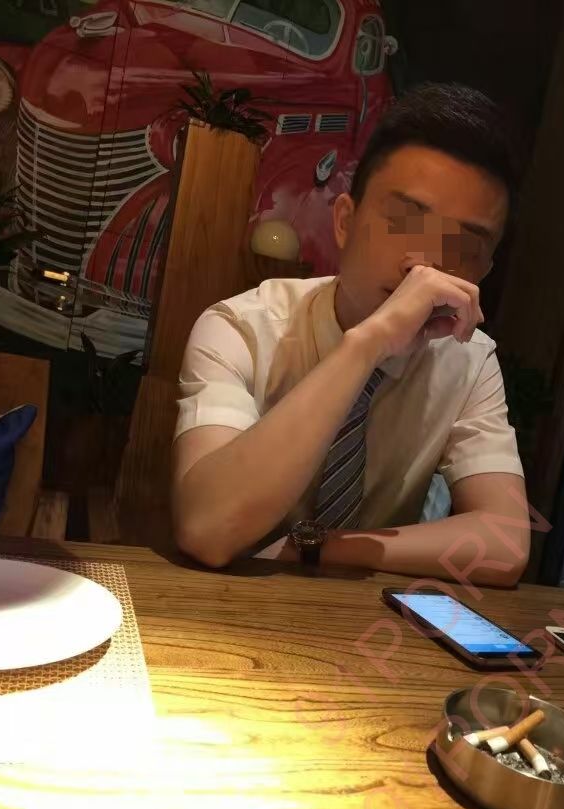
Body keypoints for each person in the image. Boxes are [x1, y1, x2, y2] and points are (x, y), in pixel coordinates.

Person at [171, 82, 531, 585]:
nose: (425, 263)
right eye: (404, 222)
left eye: (463, 247)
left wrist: (318, 548)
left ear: (484, 270)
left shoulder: (469, 360)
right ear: (344, 221)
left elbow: (506, 542)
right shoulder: (242, 327)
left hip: (361, 618)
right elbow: (208, 527)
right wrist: (367, 344)